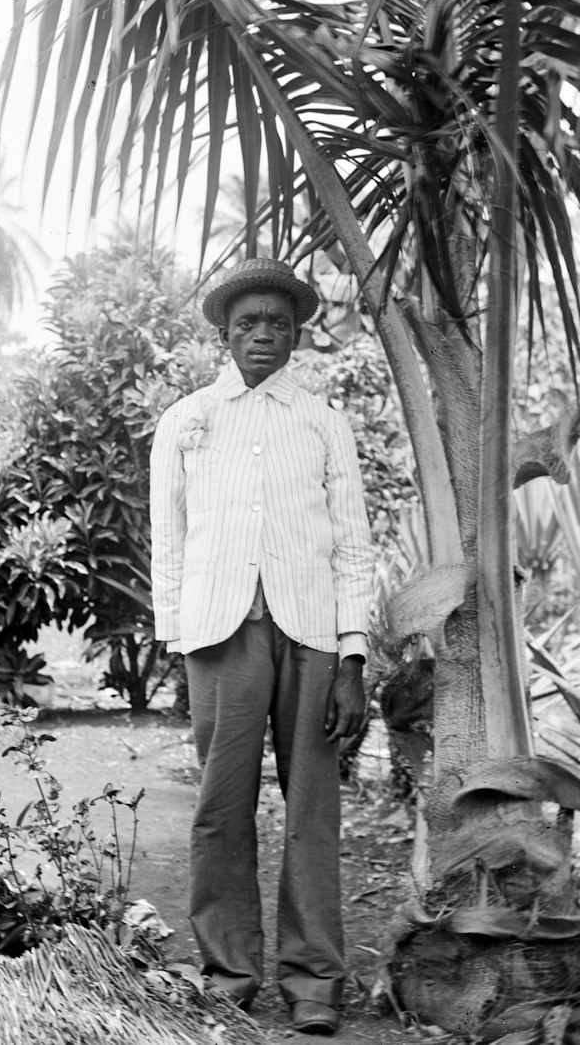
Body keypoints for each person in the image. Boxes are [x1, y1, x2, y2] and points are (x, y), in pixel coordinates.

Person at [150, 257, 373, 1037]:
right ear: (225, 331)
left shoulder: (321, 420)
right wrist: (177, 641)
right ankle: (230, 972)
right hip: (219, 635)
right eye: (249, 323)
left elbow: (352, 544)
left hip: (310, 633)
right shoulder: (186, 422)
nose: (263, 335)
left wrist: (353, 655)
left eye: (278, 323)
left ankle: (315, 982)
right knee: (220, 809)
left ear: (298, 333)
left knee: (313, 810)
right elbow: (170, 541)